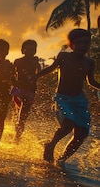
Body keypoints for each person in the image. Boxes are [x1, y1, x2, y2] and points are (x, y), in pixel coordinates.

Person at [36, 28, 100, 166]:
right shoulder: (64, 57)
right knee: (68, 124)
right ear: (71, 44)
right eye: (79, 42)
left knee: (82, 133)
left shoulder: (89, 62)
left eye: (86, 42)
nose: (83, 45)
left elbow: (91, 82)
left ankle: (62, 159)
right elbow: (50, 68)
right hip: (63, 98)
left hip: (79, 101)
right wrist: (36, 77)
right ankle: (51, 145)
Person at [12, 39, 42, 143]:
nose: (31, 51)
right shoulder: (18, 61)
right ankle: (17, 134)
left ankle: (17, 135)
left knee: (22, 117)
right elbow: (11, 74)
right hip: (18, 90)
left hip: (30, 91)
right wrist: (15, 83)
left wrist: (36, 67)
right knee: (20, 112)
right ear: (22, 50)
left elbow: (39, 74)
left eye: (33, 49)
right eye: (28, 49)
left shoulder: (36, 63)